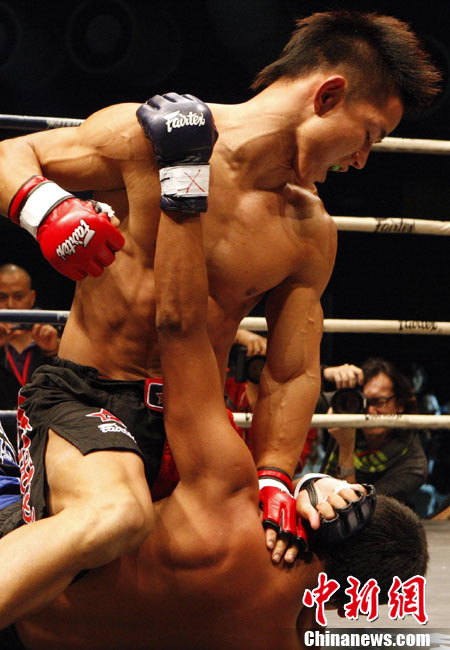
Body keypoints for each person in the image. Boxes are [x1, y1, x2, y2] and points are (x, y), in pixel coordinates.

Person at [0, 9, 440, 628]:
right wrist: (45, 209)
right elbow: (11, 152)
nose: (363, 159)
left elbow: (290, 371)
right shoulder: (153, 135)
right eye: (368, 134)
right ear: (328, 95)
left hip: (198, 428)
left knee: (236, 591)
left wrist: (276, 475)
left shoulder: (308, 229)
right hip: (91, 399)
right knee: (115, 518)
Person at [323, 357, 428, 504]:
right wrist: (326, 373)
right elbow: (298, 396)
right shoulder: (349, 406)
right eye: (364, 402)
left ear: (400, 404)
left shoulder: (413, 465)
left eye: (379, 402)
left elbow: (357, 509)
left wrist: (346, 446)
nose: (370, 411)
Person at [0, 264, 60, 444]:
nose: (11, 305)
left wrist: (54, 351)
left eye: (18, 297)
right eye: (2, 297)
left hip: (45, 436)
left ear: (32, 297)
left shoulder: (52, 335)